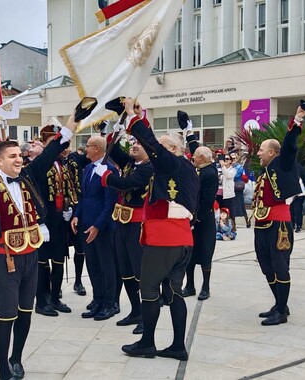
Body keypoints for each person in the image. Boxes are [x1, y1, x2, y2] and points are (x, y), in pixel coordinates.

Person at [0, 113, 77, 380]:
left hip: (30, 255)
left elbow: (51, 152)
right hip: (3, 258)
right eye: (12, 156)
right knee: (7, 314)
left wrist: (71, 125)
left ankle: (16, 358)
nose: (18, 160)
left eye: (20, 155)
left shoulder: (28, 176)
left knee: (26, 313)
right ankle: (3, 370)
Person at [119, 98, 199, 361]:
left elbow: (152, 145)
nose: (156, 153)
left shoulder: (172, 163)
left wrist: (133, 116)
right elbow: (152, 145)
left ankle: (147, 343)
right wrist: (141, 119)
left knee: (150, 290)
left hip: (164, 238)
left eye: (164, 149)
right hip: (181, 239)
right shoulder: (183, 166)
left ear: (174, 148)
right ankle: (177, 345)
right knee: (174, 292)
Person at [252, 105, 305, 326]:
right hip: (262, 224)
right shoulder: (264, 171)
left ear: (272, 152)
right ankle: (279, 304)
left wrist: (297, 120)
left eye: (261, 150)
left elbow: (290, 146)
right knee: (266, 266)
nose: (258, 152)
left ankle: (282, 313)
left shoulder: (283, 164)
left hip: (279, 224)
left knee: (280, 266)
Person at [97, 132, 153, 333]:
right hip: (121, 221)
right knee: (125, 270)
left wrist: (105, 175)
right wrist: (113, 132)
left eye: (140, 143)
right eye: (135, 142)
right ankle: (135, 311)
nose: (135, 145)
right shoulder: (132, 163)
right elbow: (115, 150)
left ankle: (146, 318)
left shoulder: (148, 168)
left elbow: (126, 184)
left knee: (140, 272)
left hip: (137, 224)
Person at [71, 136, 118, 321]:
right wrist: (76, 215)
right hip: (86, 225)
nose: (85, 149)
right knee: (93, 266)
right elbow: (84, 197)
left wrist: (97, 226)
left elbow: (110, 203)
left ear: (98, 148)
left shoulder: (110, 170)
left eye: (88, 146)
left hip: (102, 227)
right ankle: (97, 299)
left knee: (106, 266)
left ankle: (109, 303)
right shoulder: (89, 168)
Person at [33, 125, 76, 317]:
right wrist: (39, 221)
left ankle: (55, 297)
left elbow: (69, 189)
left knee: (59, 259)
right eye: (52, 143)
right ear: (44, 145)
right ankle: (42, 301)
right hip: (44, 220)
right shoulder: (38, 165)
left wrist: (71, 208)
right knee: (42, 262)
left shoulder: (64, 164)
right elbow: (33, 196)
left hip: (60, 219)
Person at [183, 118, 219, 301]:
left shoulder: (210, 173)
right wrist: (189, 132)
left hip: (203, 221)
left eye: (195, 156)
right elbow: (194, 150)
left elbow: (207, 200)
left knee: (205, 255)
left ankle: (205, 287)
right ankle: (189, 285)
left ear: (202, 159)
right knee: (189, 254)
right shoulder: (199, 168)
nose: (192, 157)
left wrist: (195, 219)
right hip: (192, 218)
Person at [66, 145, 90, 297]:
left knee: (80, 248)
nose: (65, 149)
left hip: (76, 207)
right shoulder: (48, 160)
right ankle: (52, 287)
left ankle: (78, 281)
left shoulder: (74, 158)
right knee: (56, 252)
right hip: (57, 211)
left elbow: (88, 157)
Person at [231, 152, 251, 228]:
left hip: (237, 188)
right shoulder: (229, 166)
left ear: (237, 159)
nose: (233, 160)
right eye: (231, 158)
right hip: (231, 188)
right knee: (232, 205)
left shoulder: (239, 167)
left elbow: (236, 175)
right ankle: (233, 223)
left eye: (234, 158)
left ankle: (247, 219)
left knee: (241, 205)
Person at [290, 164, 305, 233]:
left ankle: (299, 225)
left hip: (300, 193)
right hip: (291, 194)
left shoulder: (298, 167)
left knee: (297, 210)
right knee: (291, 209)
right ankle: (292, 225)